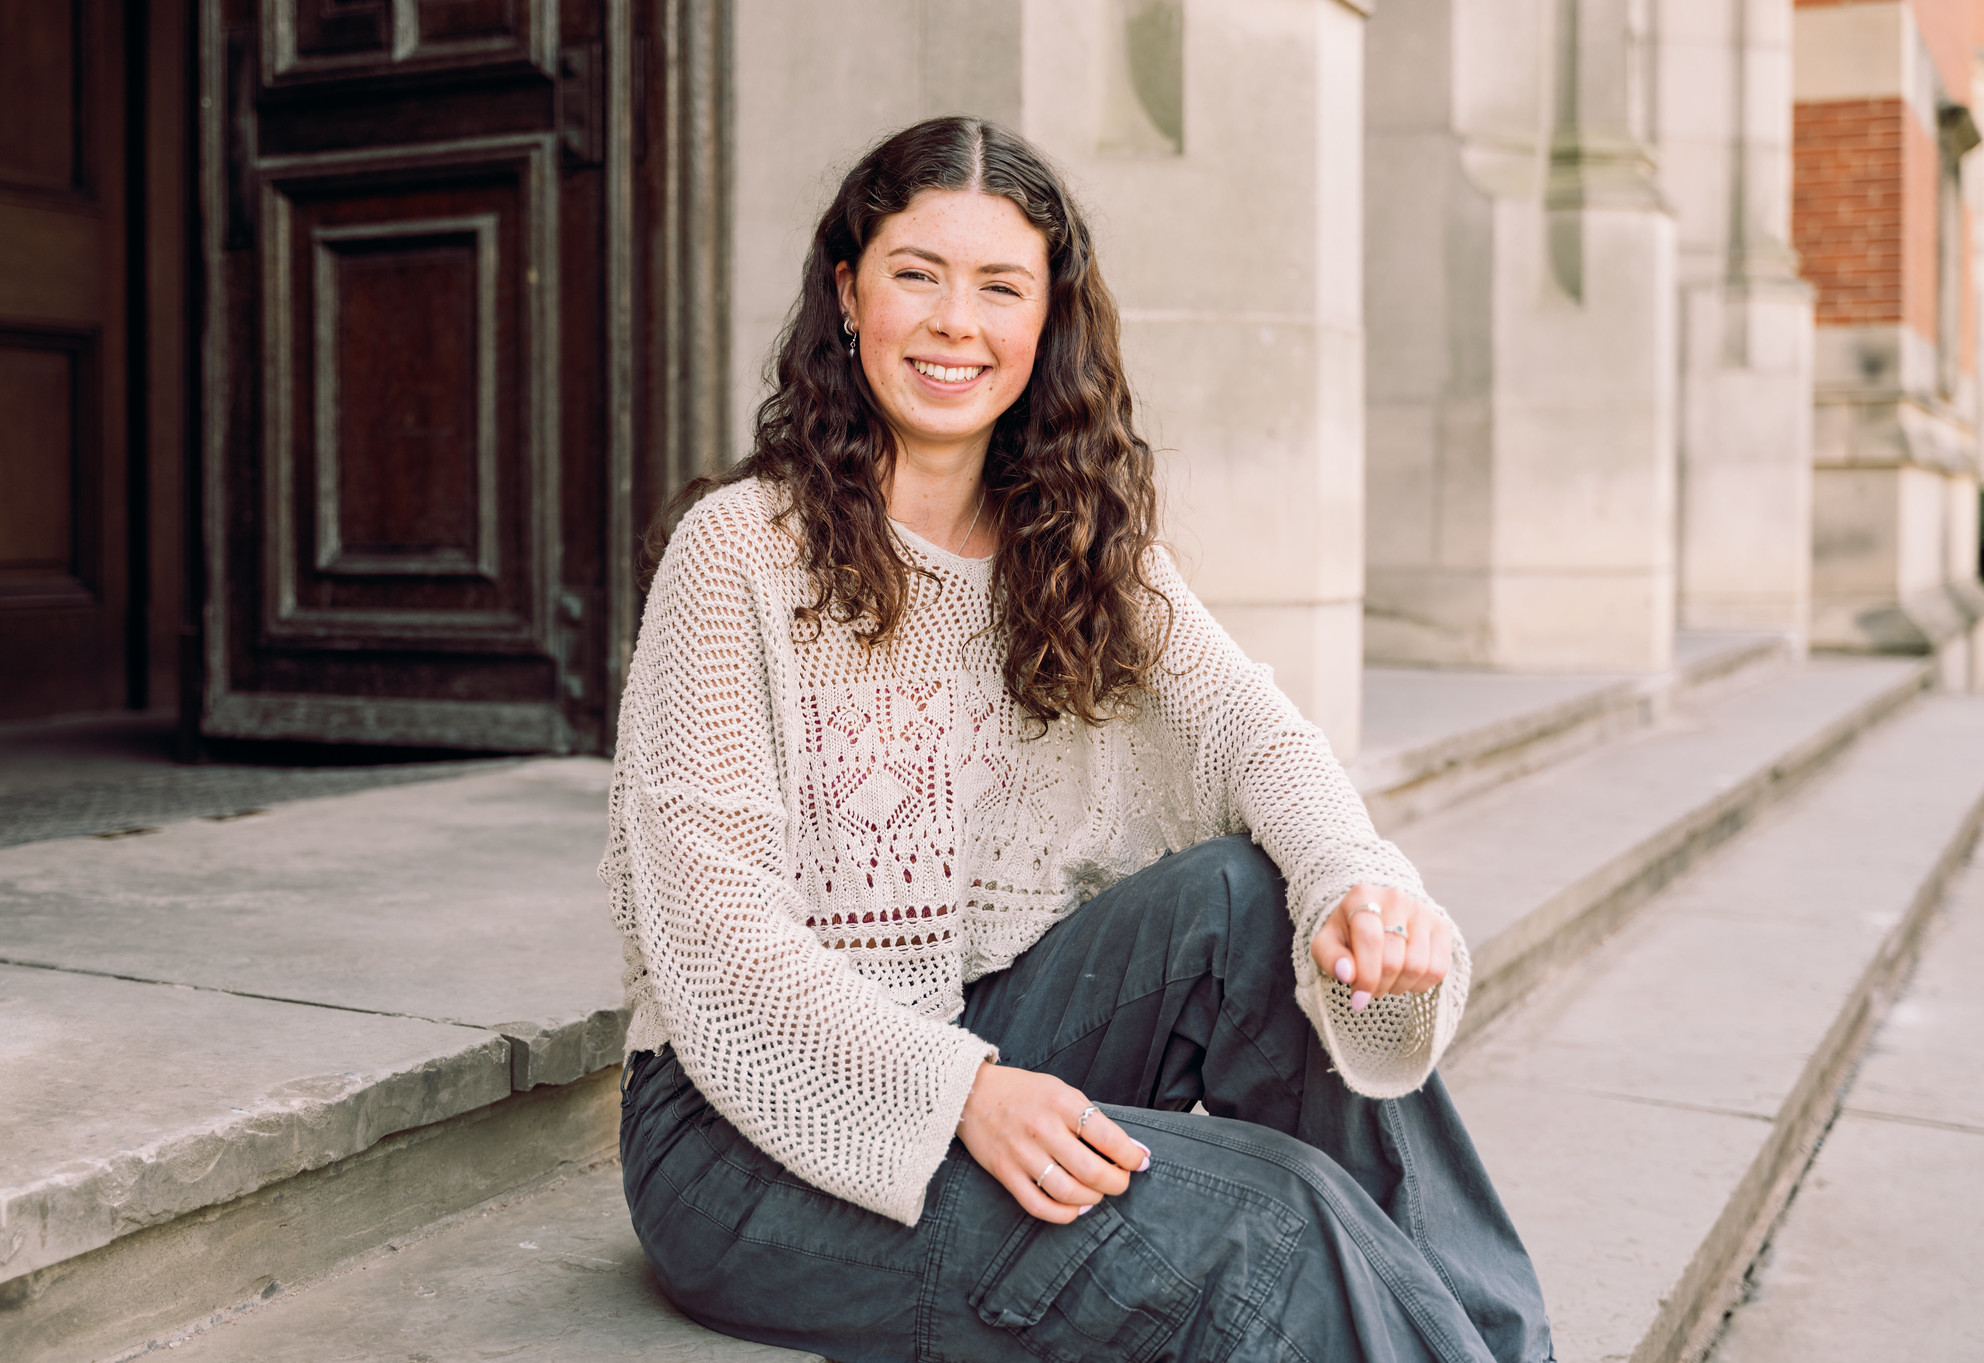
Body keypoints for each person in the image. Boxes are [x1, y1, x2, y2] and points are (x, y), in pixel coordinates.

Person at [600, 116, 1554, 1363]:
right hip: (736, 1138)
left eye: (1000, 287)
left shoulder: (1071, 545)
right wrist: (960, 1096)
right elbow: (718, 945)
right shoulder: (737, 553)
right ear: (846, 291)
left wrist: (1364, 893)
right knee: (1268, 1223)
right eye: (915, 273)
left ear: (1046, 322)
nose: (956, 323)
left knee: (1250, 898)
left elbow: (1259, 737)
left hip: (976, 1029)